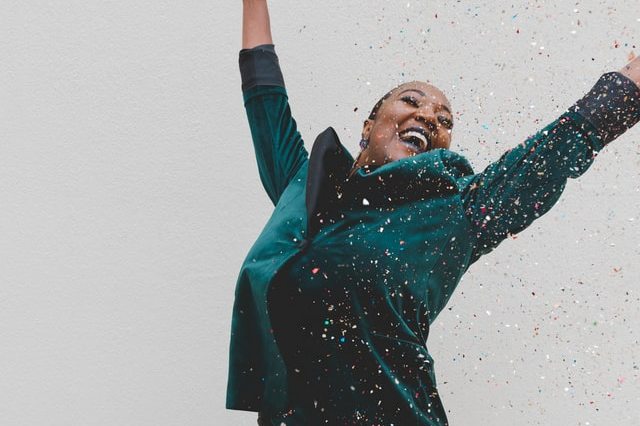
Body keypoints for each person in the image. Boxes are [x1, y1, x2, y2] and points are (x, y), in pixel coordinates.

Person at [227, 1, 640, 425]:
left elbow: (553, 151)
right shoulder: (303, 187)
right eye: (411, 100)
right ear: (369, 124)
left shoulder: (454, 214)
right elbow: (264, 93)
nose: (427, 116)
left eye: (444, 120)